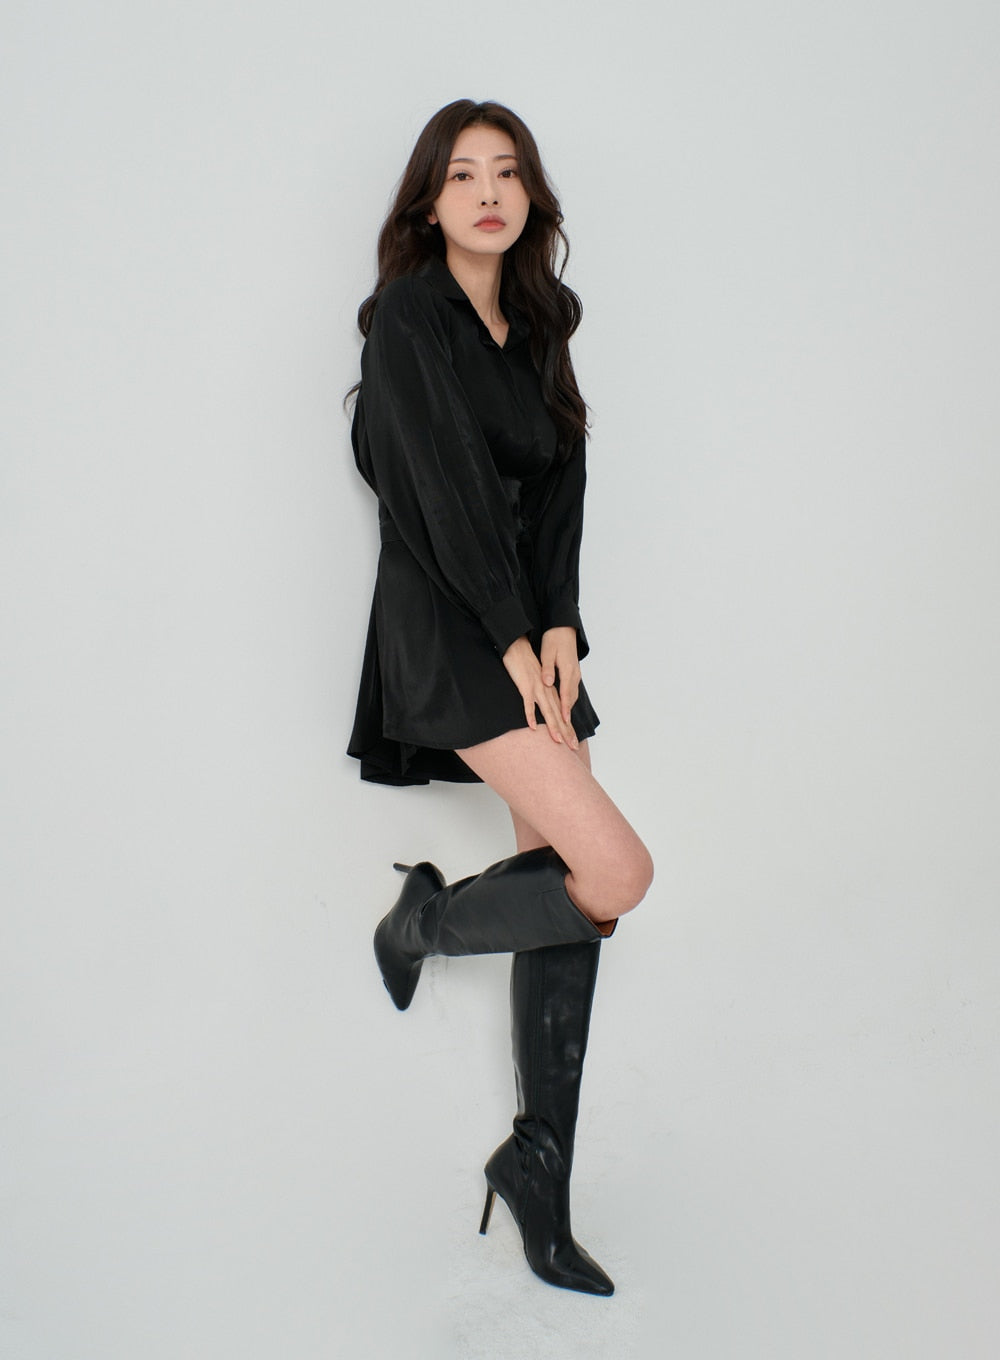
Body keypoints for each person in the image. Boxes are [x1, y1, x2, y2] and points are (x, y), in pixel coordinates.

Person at [346, 99, 653, 1296]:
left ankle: (538, 1168)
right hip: (449, 619)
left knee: (567, 895)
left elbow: (562, 476)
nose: (487, 192)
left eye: (507, 172)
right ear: (429, 202)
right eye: (463, 173)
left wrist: (560, 621)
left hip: (526, 625)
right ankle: (419, 921)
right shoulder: (411, 316)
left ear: (530, 195)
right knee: (613, 873)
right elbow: (440, 493)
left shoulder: (537, 319)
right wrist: (513, 635)